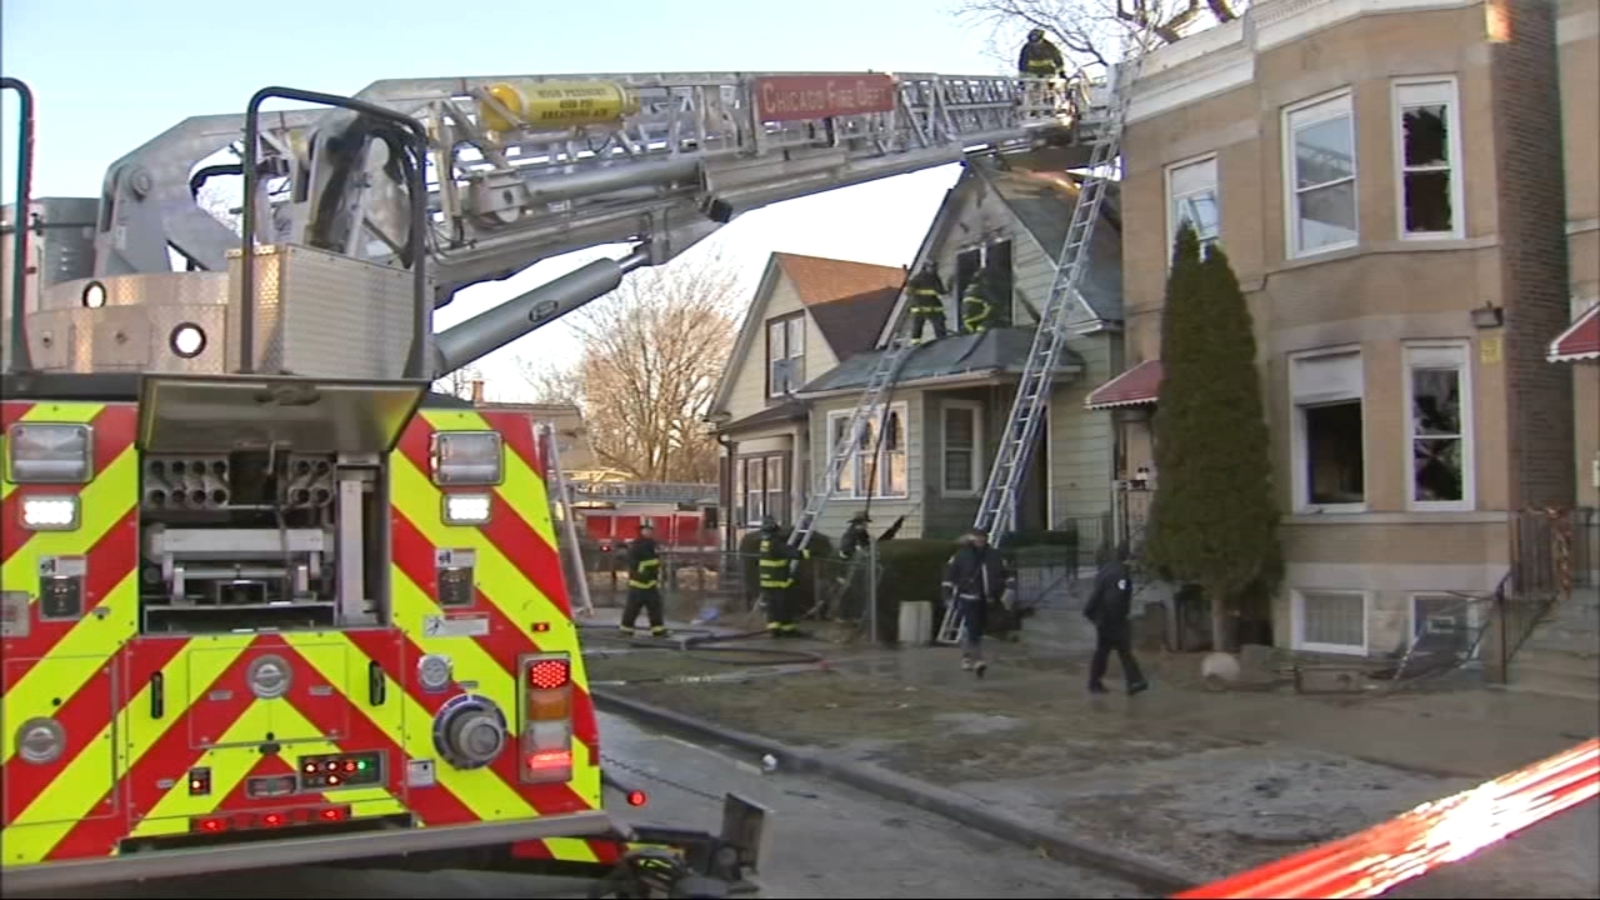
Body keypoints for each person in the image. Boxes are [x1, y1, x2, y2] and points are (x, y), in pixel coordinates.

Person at [1083, 541, 1149, 695]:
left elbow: (1100, 593)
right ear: (1126, 557)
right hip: (1113, 619)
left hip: (1103, 618)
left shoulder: (1106, 570)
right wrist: (1118, 618)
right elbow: (1116, 597)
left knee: (1104, 652)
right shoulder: (1122, 576)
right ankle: (1134, 681)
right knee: (1123, 651)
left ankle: (1096, 682)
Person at [942, 527, 1007, 677]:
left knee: (977, 629)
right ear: (972, 539)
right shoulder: (961, 556)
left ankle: (967, 656)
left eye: (982, 538)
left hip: (988, 598)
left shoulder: (994, 555)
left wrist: (1006, 592)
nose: (980, 541)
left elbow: (1005, 573)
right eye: (977, 538)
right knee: (972, 628)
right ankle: (978, 660)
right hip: (967, 597)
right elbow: (949, 576)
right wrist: (947, 596)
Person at [756, 516, 806, 638]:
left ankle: (774, 630)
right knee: (784, 606)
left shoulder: (764, 543)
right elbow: (794, 554)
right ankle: (788, 630)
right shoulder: (776, 543)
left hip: (766, 581)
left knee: (772, 607)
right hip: (779, 581)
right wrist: (809, 553)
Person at [620, 523, 668, 637]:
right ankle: (626, 629)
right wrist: (655, 563)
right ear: (641, 532)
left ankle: (658, 630)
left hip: (650, 583)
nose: (649, 533)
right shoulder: (637, 546)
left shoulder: (652, 545)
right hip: (638, 583)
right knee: (632, 609)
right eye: (647, 530)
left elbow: (655, 561)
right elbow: (637, 563)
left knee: (655, 608)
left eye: (651, 531)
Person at [905, 261, 949, 345]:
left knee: (940, 325)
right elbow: (908, 292)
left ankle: (943, 341)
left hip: (934, 307)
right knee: (918, 326)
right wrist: (910, 288)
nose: (934, 269)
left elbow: (941, 291)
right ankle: (915, 343)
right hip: (920, 307)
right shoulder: (917, 278)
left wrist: (947, 290)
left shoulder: (936, 278)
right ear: (925, 267)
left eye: (935, 267)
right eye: (932, 267)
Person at [961, 271, 994, 335]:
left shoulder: (968, 289)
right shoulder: (981, 288)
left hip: (966, 318)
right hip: (978, 316)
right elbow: (993, 302)